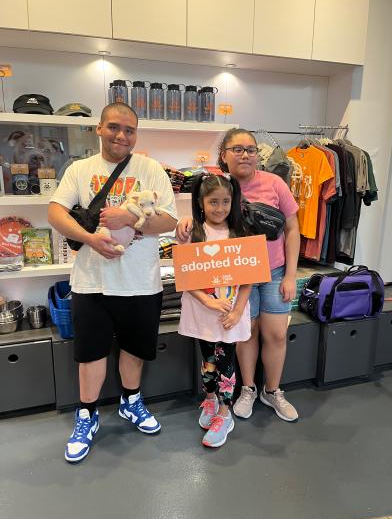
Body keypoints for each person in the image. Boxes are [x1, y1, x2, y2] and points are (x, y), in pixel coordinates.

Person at [48, 103, 177, 463]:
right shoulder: (80, 169)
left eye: (130, 130)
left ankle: (131, 402)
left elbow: (168, 219)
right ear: (99, 129)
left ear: (137, 134)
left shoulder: (151, 169)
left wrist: (130, 218)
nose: (122, 135)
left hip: (140, 282)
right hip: (92, 283)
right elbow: (55, 211)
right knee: (90, 354)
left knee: (135, 350)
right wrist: (89, 239)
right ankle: (86, 414)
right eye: (115, 127)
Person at [176, 128, 300, 423]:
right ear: (224, 155)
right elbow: (199, 219)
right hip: (230, 280)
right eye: (238, 149)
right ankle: (247, 389)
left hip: (272, 271)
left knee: (276, 333)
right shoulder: (216, 185)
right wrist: (185, 220)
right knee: (245, 334)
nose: (246, 154)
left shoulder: (274, 183)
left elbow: (293, 228)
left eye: (252, 149)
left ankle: (273, 391)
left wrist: (291, 275)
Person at [177, 172, 252, 447]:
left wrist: (236, 311)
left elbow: (248, 280)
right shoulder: (192, 233)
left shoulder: (239, 234)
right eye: (213, 202)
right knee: (208, 360)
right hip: (203, 312)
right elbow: (185, 276)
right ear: (200, 202)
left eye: (225, 202)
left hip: (229, 315)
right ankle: (210, 400)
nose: (219, 208)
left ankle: (225, 412)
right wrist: (208, 301)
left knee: (226, 363)